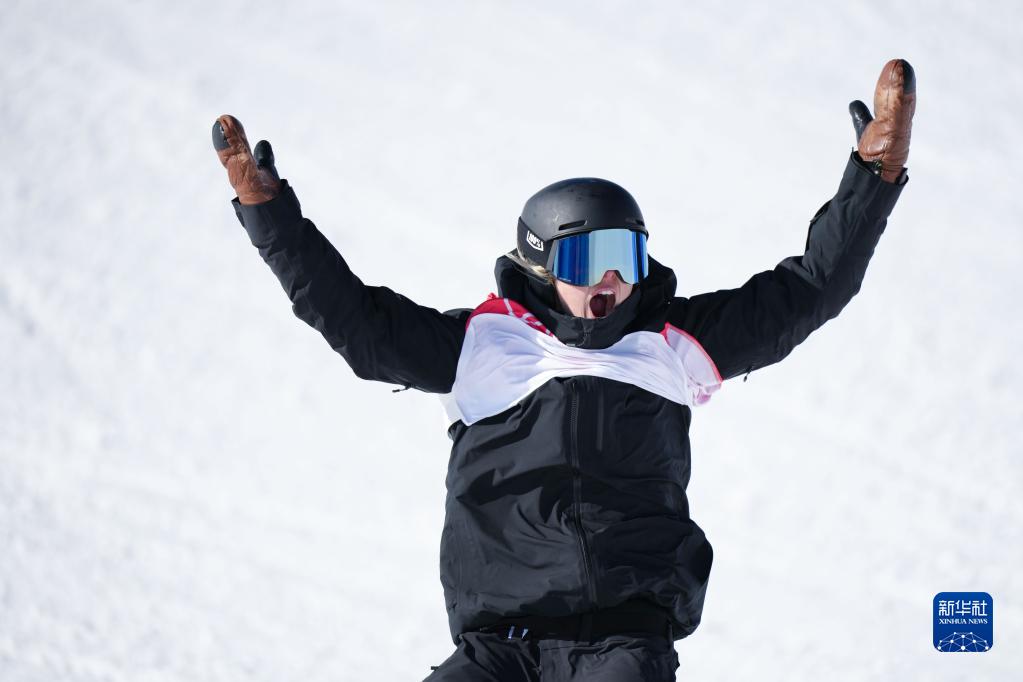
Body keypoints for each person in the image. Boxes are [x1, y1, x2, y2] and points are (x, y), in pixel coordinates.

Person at [213, 59, 915, 681]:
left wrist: (872, 178)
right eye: (586, 260)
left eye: (628, 258)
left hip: (623, 642)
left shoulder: (671, 341)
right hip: (501, 649)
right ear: (542, 265)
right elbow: (353, 320)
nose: (610, 278)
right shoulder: (479, 345)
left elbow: (808, 289)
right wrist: (268, 216)